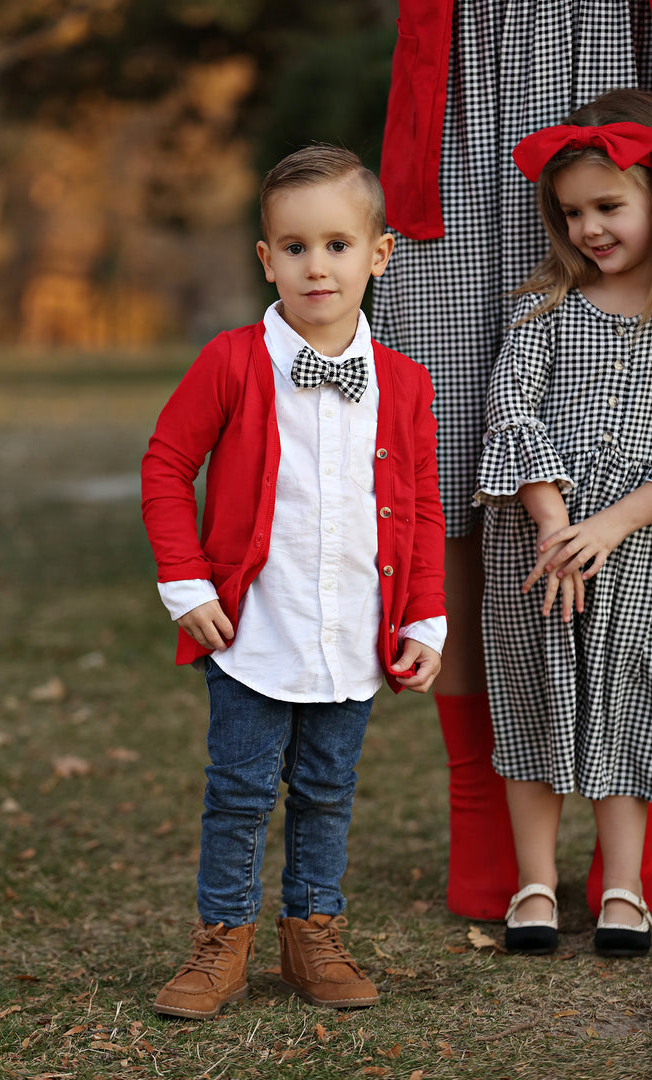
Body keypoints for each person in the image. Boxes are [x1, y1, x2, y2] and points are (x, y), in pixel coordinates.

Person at [140, 145, 447, 1019]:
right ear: (266, 258)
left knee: (326, 792)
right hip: (252, 635)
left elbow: (420, 510)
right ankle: (220, 943)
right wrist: (186, 582)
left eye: (339, 245)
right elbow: (166, 466)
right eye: (297, 247)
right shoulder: (234, 362)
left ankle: (312, 931)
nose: (319, 265)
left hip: (353, 633)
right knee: (237, 792)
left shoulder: (405, 384)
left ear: (378, 254)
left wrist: (425, 618)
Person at [374, 0, 652, 921]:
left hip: (622, 32)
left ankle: (633, 845)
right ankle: (487, 816)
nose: (586, 226)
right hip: (471, 72)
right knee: (451, 440)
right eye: (576, 214)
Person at [474, 88, 652, 956]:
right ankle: (534, 884)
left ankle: (623, 888)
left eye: (609, 206)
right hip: (538, 549)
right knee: (534, 700)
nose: (589, 227)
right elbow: (511, 409)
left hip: (636, 547)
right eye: (573, 212)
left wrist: (612, 524)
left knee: (628, 703)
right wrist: (552, 519)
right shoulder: (541, 307)